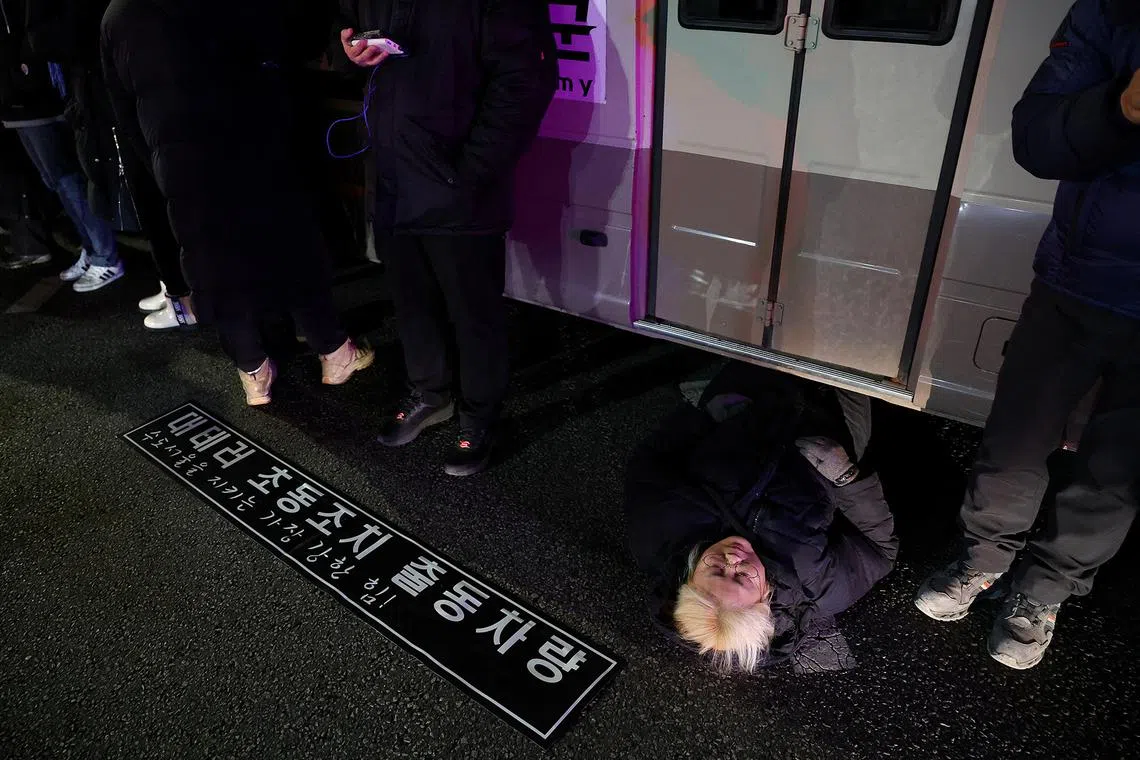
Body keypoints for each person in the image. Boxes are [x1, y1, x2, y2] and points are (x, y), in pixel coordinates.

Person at [915, 0, 1140, 670]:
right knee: (1013, 443)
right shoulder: (1112, 10)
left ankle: (1042, 594)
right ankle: (982, 561)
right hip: (1073, 280)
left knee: (1115, 479)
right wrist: (1121, 108)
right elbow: (1036, 139)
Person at [102, 0, 373, 405]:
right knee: (290, 247)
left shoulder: (117, 14)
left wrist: (160, 162)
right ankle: (334, 353)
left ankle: (254, 372)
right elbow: (277, 49)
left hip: (178, 163)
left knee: (214, 266)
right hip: (252, 144)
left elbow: (123, 111)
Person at [336, 0, 558, 476]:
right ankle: (430, 391)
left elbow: (528, 80)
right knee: (412, 302)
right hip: (395, 175)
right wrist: (349, 51)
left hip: (459, 186)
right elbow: (348, 26)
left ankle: (478, 415)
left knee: (474, 313)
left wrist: (470, 173)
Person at [625, 363, 898, 673]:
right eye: (742, 577)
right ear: (763, 599)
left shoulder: (658, 535)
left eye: (715, 570)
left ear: (689, 579)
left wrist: (703, 420)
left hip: (747, 397)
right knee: (859, 351)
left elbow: (647, 463)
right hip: (833, 422)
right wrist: (847, 478)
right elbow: (879, 550)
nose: (731, 559)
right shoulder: (820, 589)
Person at [0, 0, 124, 292]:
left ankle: (104, 255)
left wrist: (24, 71)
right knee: (56, 180)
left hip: (34, 96)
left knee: (68, 178)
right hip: (18, 99)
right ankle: (91, 249)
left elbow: (35, 32)